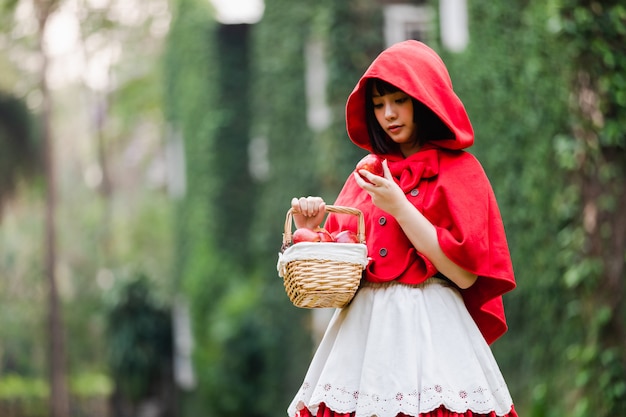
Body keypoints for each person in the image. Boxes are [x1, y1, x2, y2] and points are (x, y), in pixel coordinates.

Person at [287, 40, 518, 417]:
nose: (388, 114)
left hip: (433, 337)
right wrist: (313, 234)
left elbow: (462, 275)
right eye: (378, 105)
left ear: (425, 99)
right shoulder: (366, 175)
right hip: (363, 347)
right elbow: (342, 279)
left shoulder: (460, 172)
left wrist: (400, 207)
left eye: (399, 100)